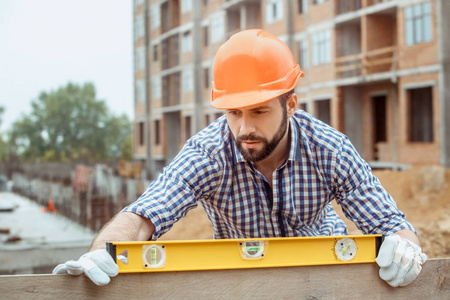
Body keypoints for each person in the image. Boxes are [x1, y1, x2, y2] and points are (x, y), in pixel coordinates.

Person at [53, 29, 426, 287]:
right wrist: (102, 251)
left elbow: (392, 224)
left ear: (291, 104)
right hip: (243, 278)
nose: (244, 128)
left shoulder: (330, 150)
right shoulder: (208, 154)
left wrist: (405, 249)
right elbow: (144, 214)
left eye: (259, 111)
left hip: (324, 274)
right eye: (233, 113)